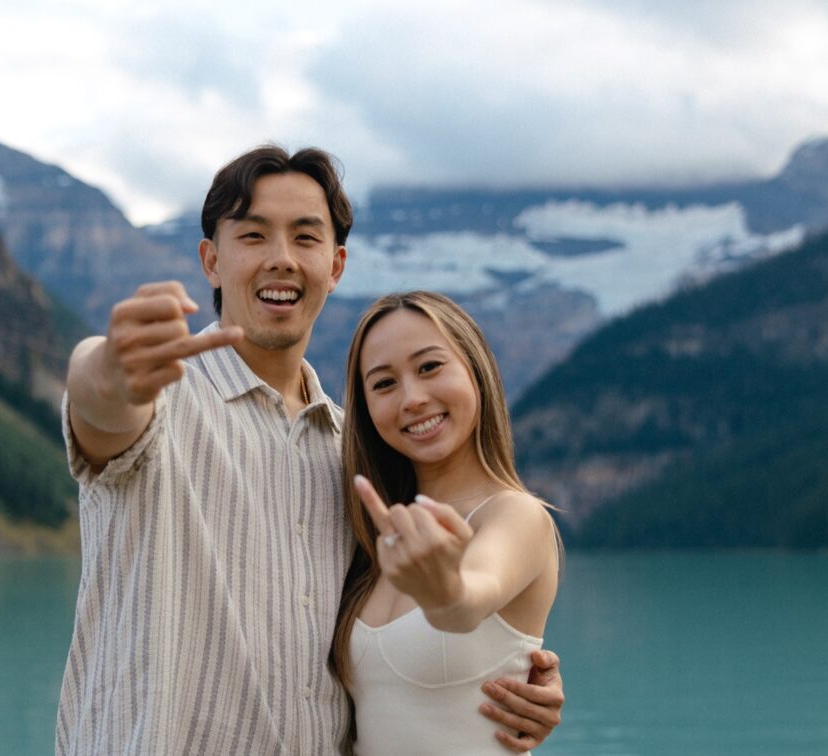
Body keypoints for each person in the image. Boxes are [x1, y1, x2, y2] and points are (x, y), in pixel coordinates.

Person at [57, 146, 564, 754]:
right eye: (253, 236)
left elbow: (442, 633)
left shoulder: (355, 456)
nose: (281, 260)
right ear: (211, 261)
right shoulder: (165, 400)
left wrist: (500, 669)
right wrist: (110, 367)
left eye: (305, 237)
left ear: (336, 265)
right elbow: (100, 402)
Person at [329, 291, 562, 755]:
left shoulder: (515, 515)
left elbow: (469, 599)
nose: (413, 398)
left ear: (475, 370)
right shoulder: (371, 531)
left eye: (430, 367)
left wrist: (445, 593)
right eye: (384, 383)